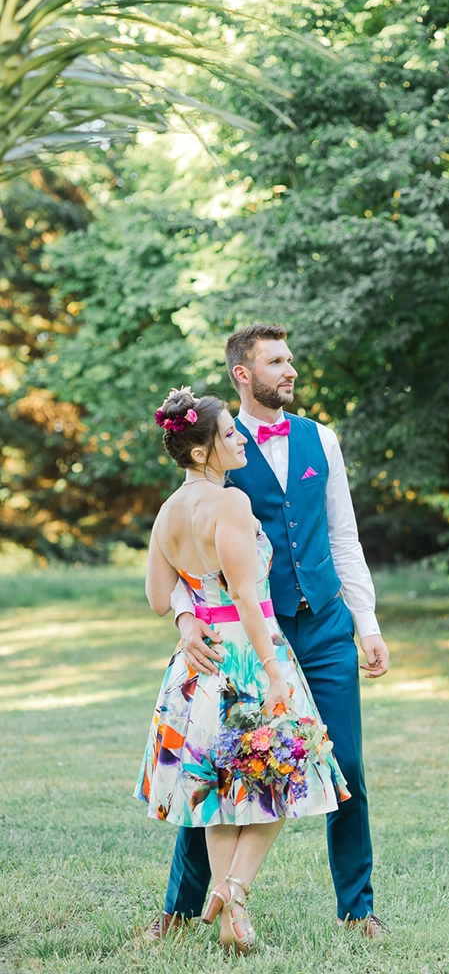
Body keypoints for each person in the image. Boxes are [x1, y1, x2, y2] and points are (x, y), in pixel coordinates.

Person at [151, 324, 390, 941]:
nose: (290, 371)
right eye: (276, 362)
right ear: (242, 374)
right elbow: (184, 556)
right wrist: (185, 619)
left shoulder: (322, 440)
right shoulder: (215, 445)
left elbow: (343, 536)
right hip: (249, 637)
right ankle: (181, 907)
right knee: (218, 769)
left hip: (325, 624)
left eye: (290, 360)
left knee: (348, 768)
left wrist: (366, 623)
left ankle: (358, 910)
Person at [135, 385, 350, 953]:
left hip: (194, 663)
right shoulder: (230, 504)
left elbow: (160, 596)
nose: (239, 438)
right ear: (201, 451)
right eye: (229, 433)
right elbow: (249, 598)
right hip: (245, 655)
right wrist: (274, 671)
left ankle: (232, 911)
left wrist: (188, 618)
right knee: (283, 773)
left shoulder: (167, 511)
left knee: (221, 786)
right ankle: (233, 889)